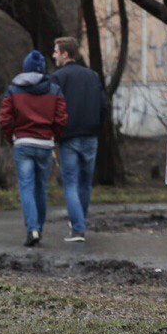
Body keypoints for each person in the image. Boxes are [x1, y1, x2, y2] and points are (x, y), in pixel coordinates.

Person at [0, 51, 67, 247]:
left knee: (26, 188)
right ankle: (40, 228)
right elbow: (62, 118)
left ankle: (32, 229)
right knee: (41, 189)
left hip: (23, 143)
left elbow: (5, 118)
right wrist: (54, 136)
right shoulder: (54, 90)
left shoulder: (13, 90)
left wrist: (12, 137)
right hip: (45, 144)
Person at [51, 37, 108, 242]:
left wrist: (55, 133)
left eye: (56, 51)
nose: (53, 55)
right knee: (85, 183)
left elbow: (53, 109)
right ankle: (79, 222)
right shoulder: (92, 76)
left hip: (68, 138)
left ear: (66, 54)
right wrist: (96, 126)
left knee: (70, 183)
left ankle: (77, 229)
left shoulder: (57, 78)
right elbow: (103, 106)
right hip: (91, 136)